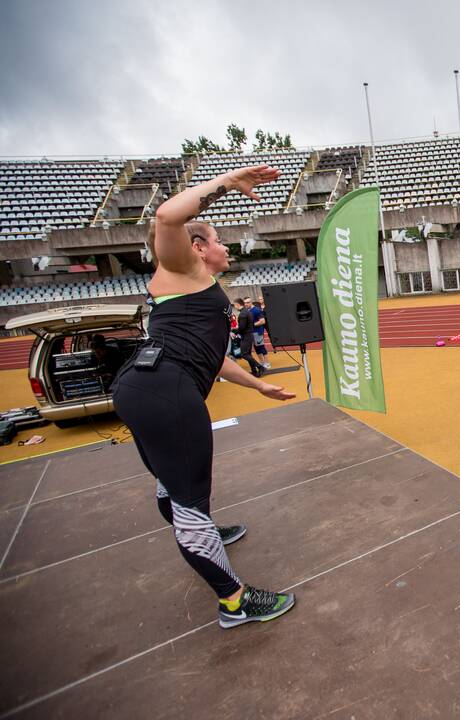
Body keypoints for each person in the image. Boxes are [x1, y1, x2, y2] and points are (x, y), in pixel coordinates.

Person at [111, 164, 297, 629]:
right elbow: (167, 219)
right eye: (218, 239)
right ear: (198, 248)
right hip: (165, 393)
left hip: (143, 385)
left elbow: (211, 357)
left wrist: (257, 383)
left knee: (170, 486)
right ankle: (233, 601)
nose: (225, 247)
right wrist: (229, 183)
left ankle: (203, 533)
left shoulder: (195, 288)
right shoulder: (181, 266)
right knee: (189, 502)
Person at [231, 298, 263, 376]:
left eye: (235, 305)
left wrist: (234, 331)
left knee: (244, 354)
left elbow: (242, 327)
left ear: (238, 305)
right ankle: (254, 371)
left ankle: (260, 367)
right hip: (249, 335)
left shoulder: (243, 314)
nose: (235, 307)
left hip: (246, 336)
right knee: (248, 354)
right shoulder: (247, 312)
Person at [244, 296, 270, 370]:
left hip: (258, 332)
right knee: (256, 349)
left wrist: (251, 324)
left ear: (251, 302)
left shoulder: (257, 310)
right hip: (251, 333)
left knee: (261, 348)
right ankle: (261, 363)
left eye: (248, 302)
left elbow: (263, 321)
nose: (246, 304)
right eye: (245, 303)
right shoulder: (247, 310)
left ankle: (267, 363)